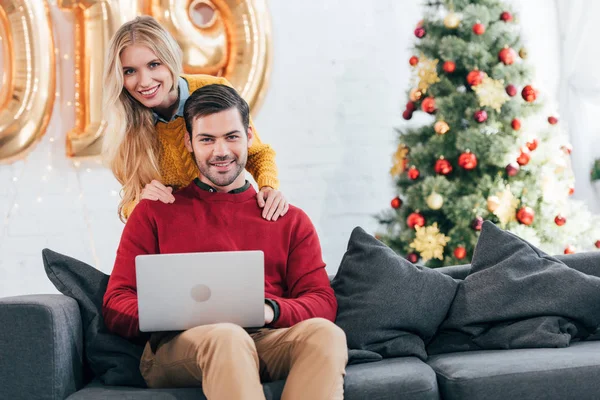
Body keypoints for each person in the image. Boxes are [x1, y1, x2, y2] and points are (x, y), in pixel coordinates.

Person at [102, 84, 348, 400]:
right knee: (227, 336)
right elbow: (115, 303)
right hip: (179, 347)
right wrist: (173, 312)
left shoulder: (288, 218)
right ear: (189, 143)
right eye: (207, 139)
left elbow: (321, 300)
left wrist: (268, 311)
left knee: (326, 335)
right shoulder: (155, 211)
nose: (221, 151)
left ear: (248, 137)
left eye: (231, 137)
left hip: (264, 338)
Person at [102, 15, 287, 222]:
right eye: (130, 71)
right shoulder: (124, 127)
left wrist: (269, 187)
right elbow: (128, 204)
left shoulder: (213, 89)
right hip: (180, 231)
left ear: (170, 59)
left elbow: (257, 154)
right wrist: (142, 203)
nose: (144, 81)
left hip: (233, 218)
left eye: (154, 64)